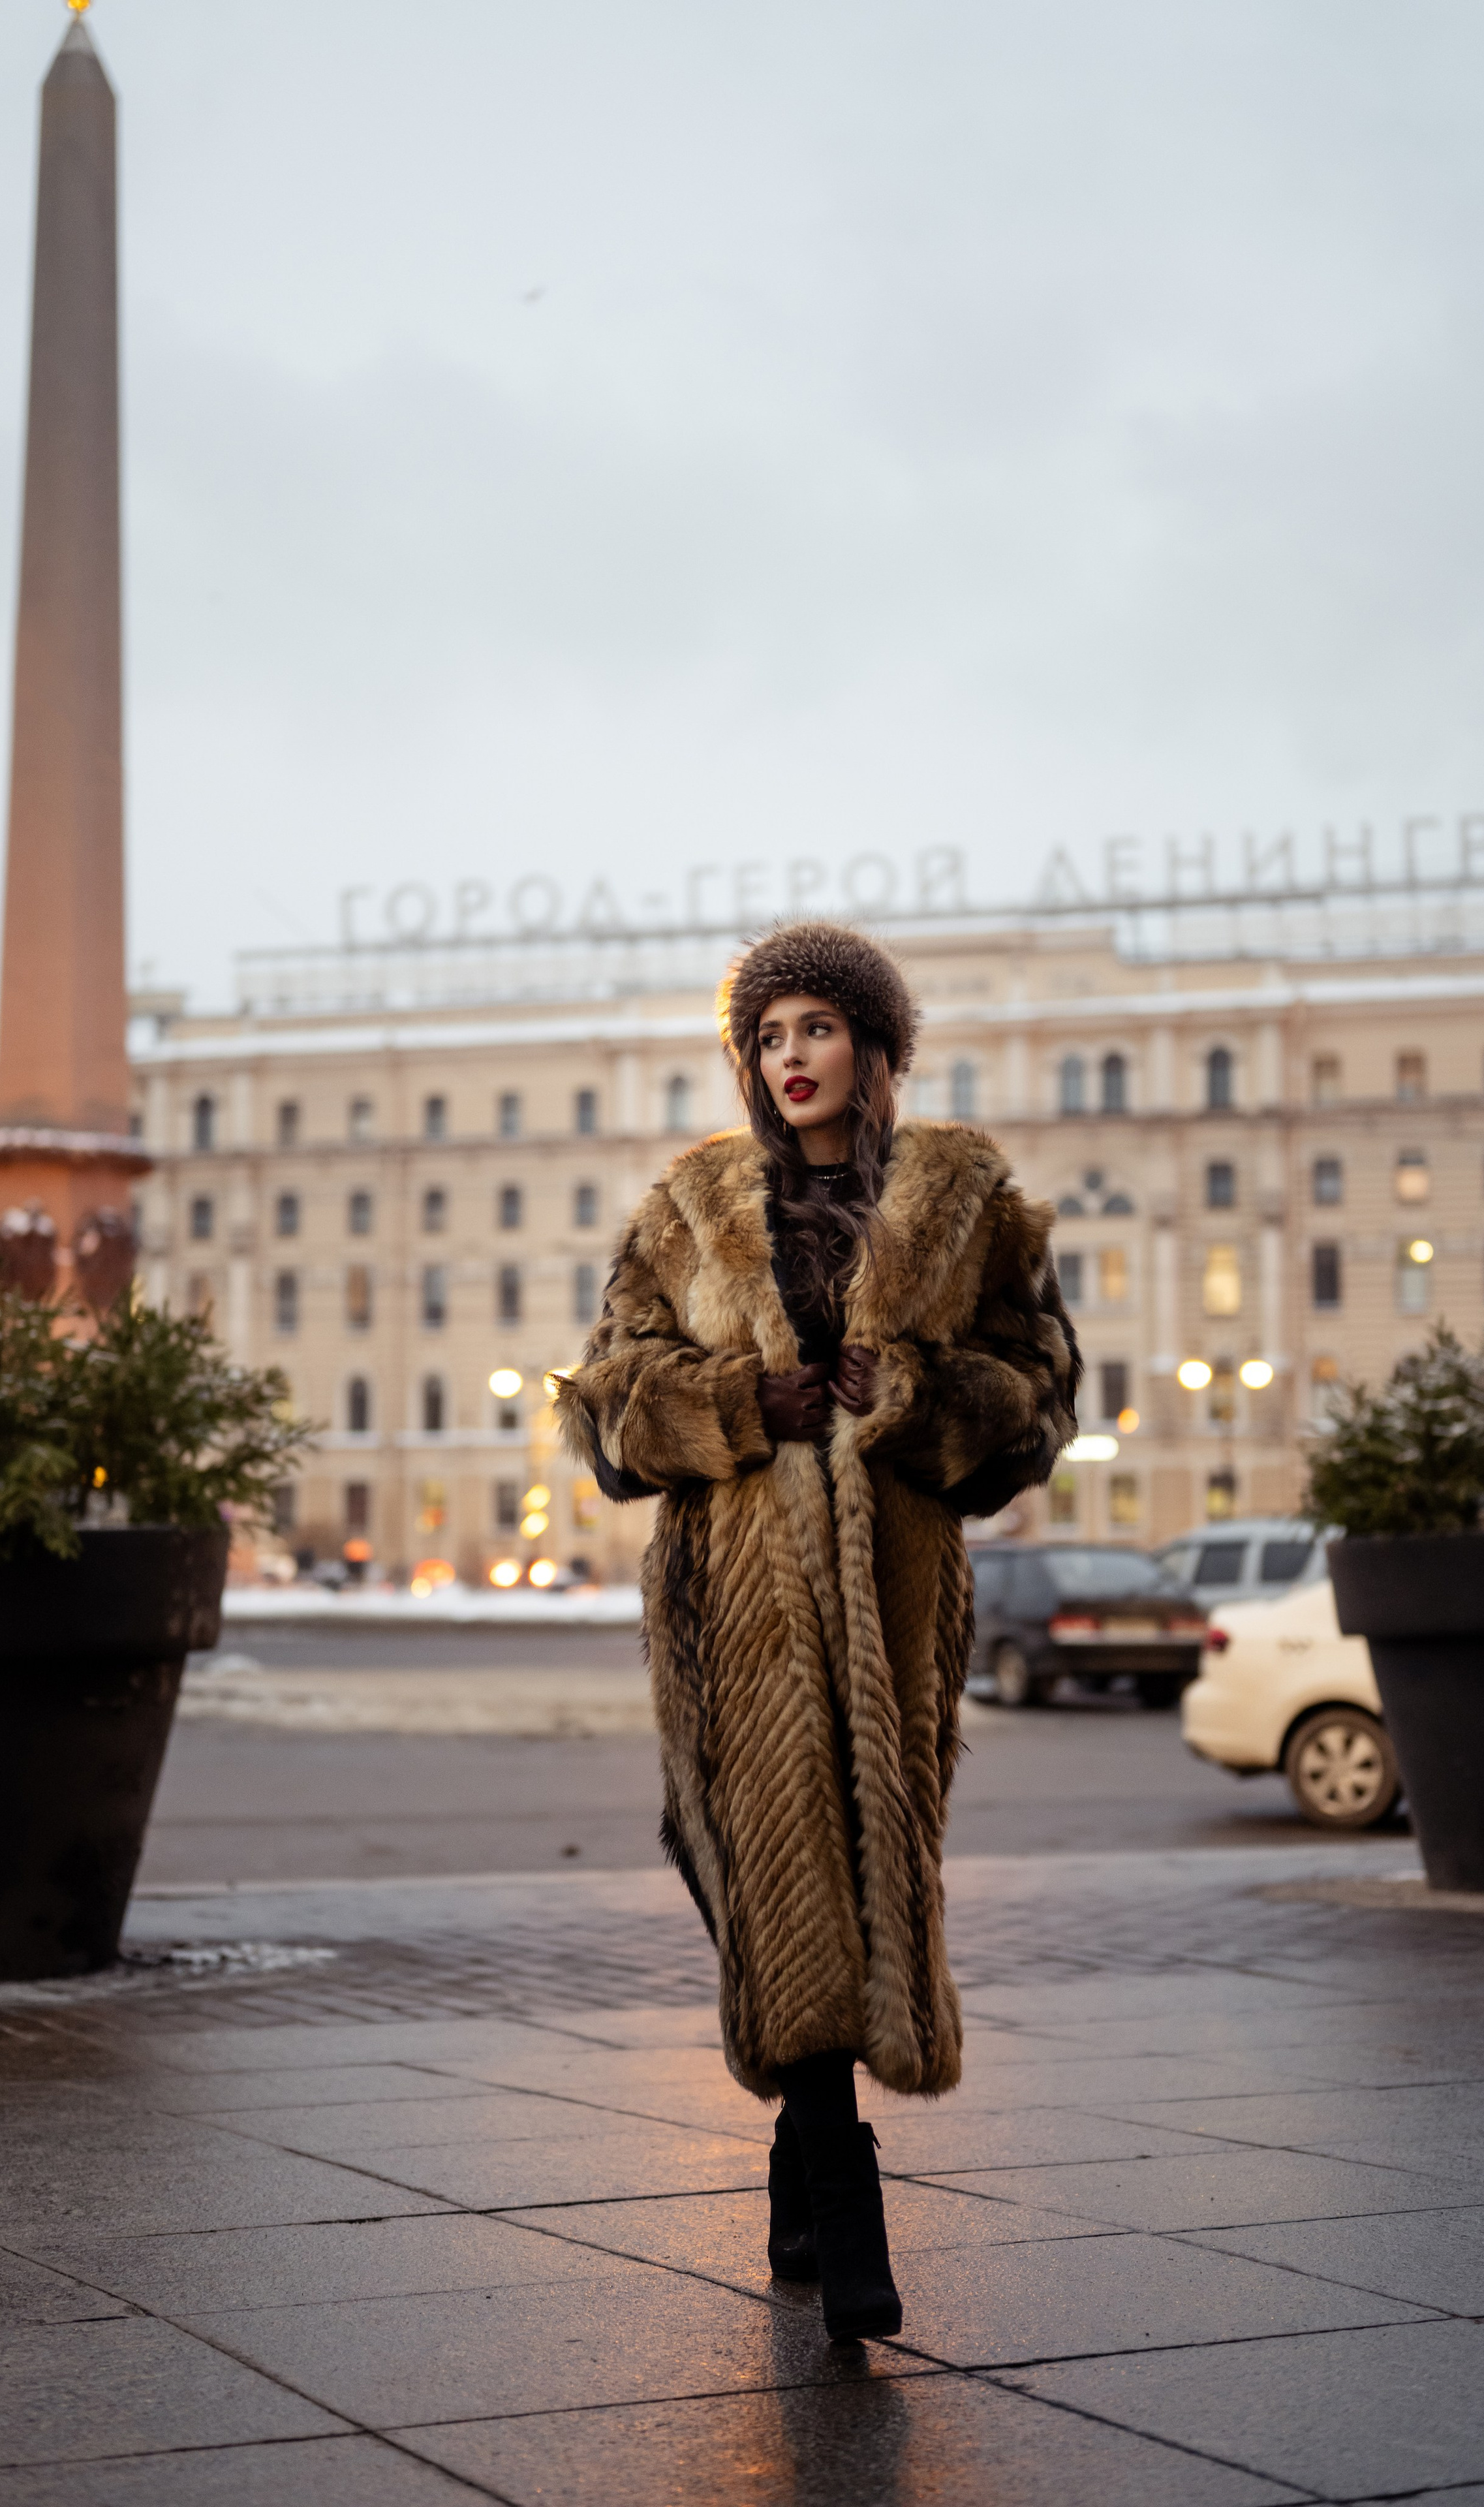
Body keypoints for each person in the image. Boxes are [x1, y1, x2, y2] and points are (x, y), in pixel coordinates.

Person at [554, 920, 1080, 2340]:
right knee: (767, 1871)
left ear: (874, 1046)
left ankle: (801, 2162)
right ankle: (845, 2199)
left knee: (863, 1871)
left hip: (893, 1609)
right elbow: (602, 1406)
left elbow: (1040, 1399)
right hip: (735, 1617)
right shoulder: (684, 1211)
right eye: (767, 1035)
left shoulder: (971, 1208)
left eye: (816, 1028)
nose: (790, 1057)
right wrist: (735, 1405)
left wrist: (909, 1387)